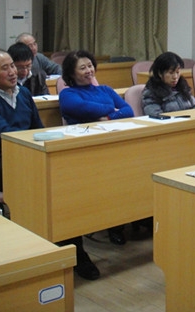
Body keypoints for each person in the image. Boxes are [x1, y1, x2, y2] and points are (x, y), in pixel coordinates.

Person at [0, 49, 99, 281]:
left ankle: (69, 249)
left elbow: (38, 130)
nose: (13, 72)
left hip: (29, 157)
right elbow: (8, 138)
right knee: (52, 185)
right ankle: (59, 252)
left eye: (13, 66)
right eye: (5, 68)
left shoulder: (23, 94)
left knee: (66, 179)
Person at [59, 50, 134, 246]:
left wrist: (107, 117)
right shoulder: (67, 94)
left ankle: (123, 221)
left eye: (90, 66)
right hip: (86, 148)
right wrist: (111, 109)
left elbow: (128, 110)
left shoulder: (106, 89)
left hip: (113, 143)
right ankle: (109, 224)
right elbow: (83, 108)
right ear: (71, 73)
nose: (89, 70)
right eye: (82, 68)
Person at [142, 52, 195, 116]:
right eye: (171, 73)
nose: (175, 77)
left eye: (177, 72)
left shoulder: (182, 86)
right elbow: (156, 116)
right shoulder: (151, 92)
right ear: (160, 73)